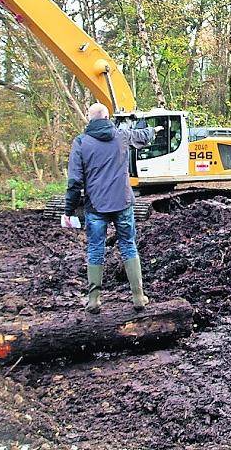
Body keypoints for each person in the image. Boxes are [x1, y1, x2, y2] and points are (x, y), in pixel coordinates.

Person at [63, 103, 162, 313]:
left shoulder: (81, 142)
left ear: (89, 119)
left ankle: (94, 300)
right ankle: (138, 297)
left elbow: (74, 181)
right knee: (128, 244)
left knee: (95, 249)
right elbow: (143, 135)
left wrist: (69, 210)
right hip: (123, 202)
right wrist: (154, 130)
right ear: (108, 117)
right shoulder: (122, 135)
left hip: (96, 206)